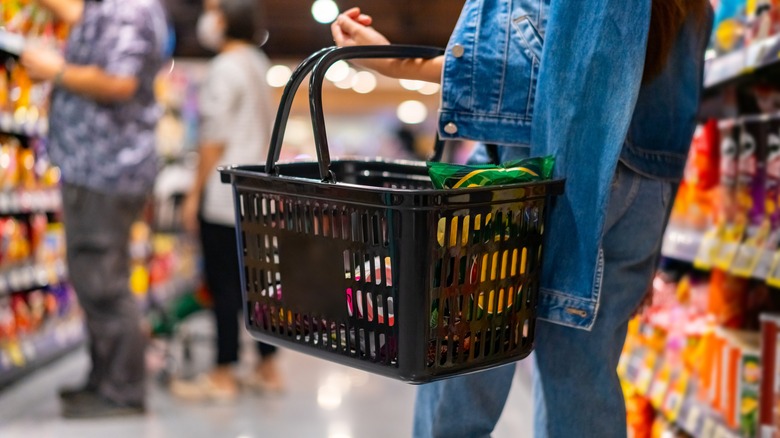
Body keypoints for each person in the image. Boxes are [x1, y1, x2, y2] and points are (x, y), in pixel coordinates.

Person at [332, 2, 712, 437]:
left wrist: (400, 63)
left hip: (522, 173)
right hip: (641, 188)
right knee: (583, 377)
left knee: (464, 367)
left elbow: (528, 68)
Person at [19, 0, 168, 419]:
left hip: (106, 169)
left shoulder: (129, 8)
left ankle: (121, 389)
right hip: (101, 167)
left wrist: (56, 71)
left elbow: (119, 81)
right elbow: (81, 19)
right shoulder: (113, 8)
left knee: (102, 280)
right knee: (95, 278)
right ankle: (104, 379)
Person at [173, 0, 283, 401]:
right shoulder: (258, 62)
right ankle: (268, 367)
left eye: (214, 9)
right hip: (257, 195)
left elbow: (213, 139)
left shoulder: (224, 67)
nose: (208, 18)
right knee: (255, 282)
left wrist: (193, 193)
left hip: (224, 194)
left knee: (223, 286)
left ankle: (222, 372)